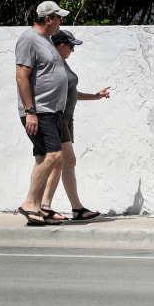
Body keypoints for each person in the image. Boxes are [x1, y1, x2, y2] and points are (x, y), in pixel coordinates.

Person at [39, 30, 110, 221]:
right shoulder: (53, 64)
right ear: (61, 46)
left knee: (65, 162)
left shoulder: (62, 63)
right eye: (71, 47)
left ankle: (73, 208)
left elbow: (71, 92)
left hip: (67, 118)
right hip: (57, 117)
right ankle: (46, 206)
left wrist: (95, 96)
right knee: (62, 161)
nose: (72, 51)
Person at [15, 1, 69, 225]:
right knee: (54, 156)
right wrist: (30, 111)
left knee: (44, 159)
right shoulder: (29, 39)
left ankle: (38, 207)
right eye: (59, 18)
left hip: (51, 110)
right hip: (39, 110)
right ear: (48, 19)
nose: (61, 23)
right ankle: (29, 203)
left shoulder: (45, 40)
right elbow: (21, 76)